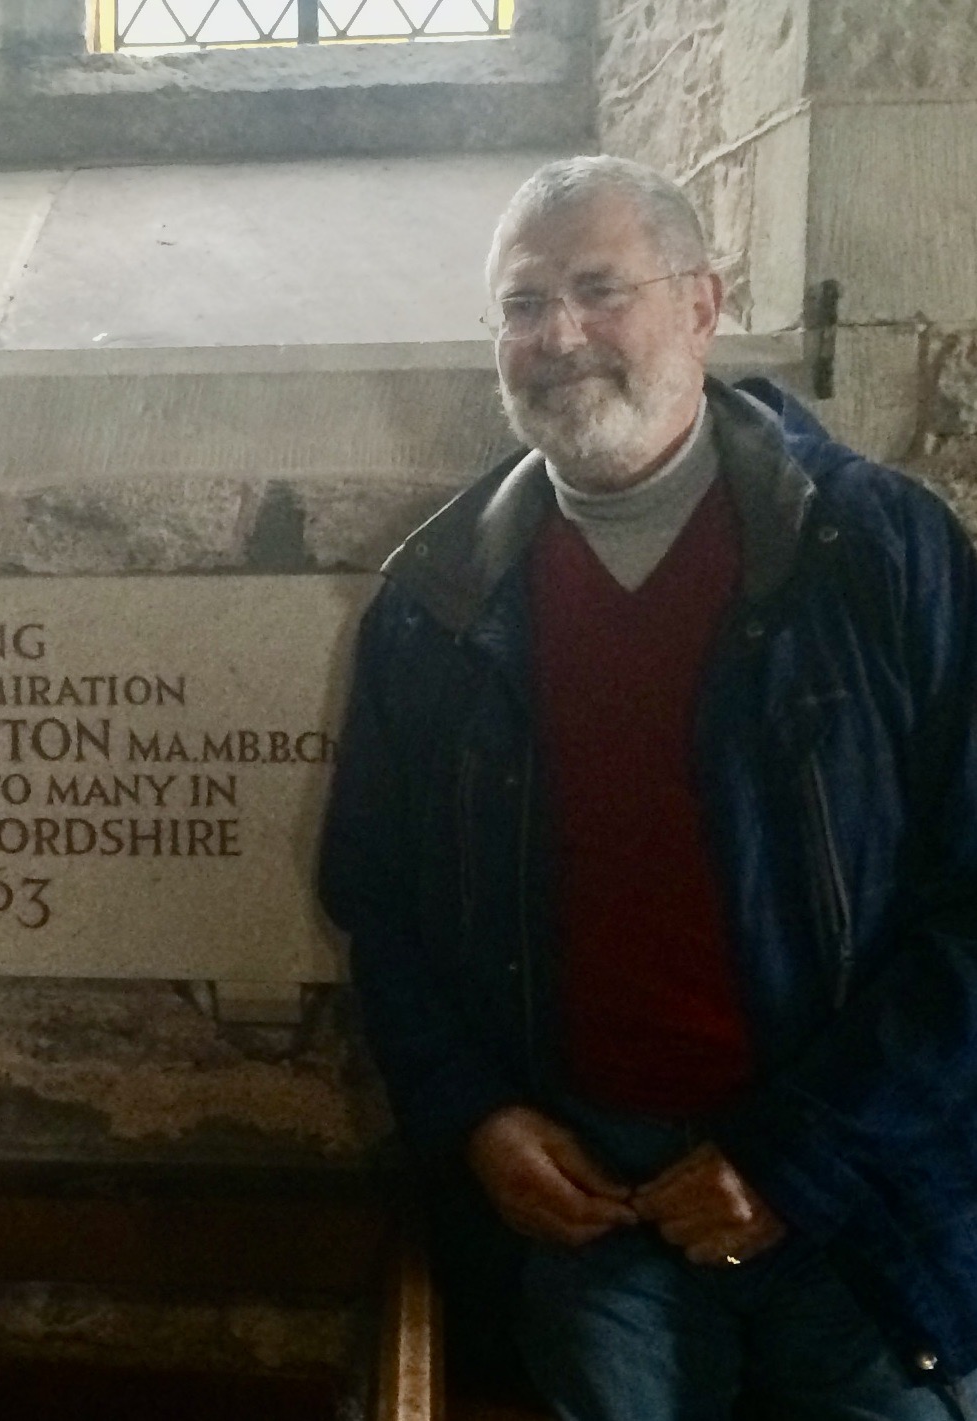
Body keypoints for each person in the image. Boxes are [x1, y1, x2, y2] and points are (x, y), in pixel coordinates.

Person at [318, 155, 977, 1420]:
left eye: (600, 288)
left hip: (859, 1183)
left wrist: (804, 1153)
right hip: (591, 1197)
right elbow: (379, 898)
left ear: (701, 304)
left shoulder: (880, 550)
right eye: (523, 305)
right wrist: (476, 1117)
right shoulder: (438, 605)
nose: (560, 336)